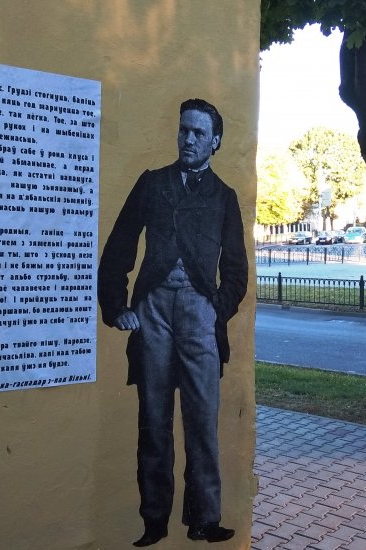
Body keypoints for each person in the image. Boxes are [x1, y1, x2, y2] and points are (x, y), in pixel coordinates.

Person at [98, 98, 248, 546]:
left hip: (200, 313)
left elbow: (236, 269)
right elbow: (119, 246)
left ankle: (204, 519)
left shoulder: (224, 197)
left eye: (199, 133)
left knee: (202, 420)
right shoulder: (152, 183)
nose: (188, 139)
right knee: (154, 418)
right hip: (154, 312)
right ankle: (154, 521)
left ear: (215, 142)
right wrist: (117, 306)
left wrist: (216, 309)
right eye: (184, 130)